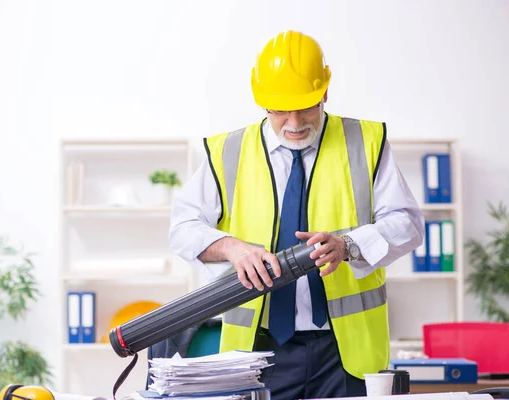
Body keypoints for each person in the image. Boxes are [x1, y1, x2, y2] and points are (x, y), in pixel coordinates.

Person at [168, 30, 425, 400]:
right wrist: (231, 248)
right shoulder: (227, 151)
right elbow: (182, 229)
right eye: (279, 109)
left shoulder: (365, 141)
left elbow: (408, 222)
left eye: (305, 106)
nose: (294, 122)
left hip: (347, 355)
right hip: (256, 354)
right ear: (262, 102)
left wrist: (349, 245)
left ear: (324, 92)